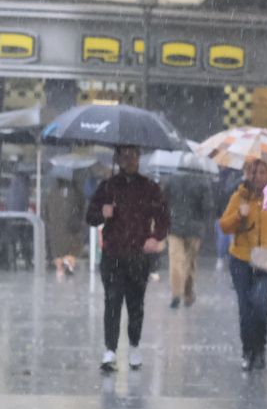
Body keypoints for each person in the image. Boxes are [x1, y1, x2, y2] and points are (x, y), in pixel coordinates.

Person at [85, 145, 169, 372]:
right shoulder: (108, 188)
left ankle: (134, 345)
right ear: (117, 158)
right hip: (112, 254)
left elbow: (163, 217)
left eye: (133, 155)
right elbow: (90, 217)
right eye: (124, 155)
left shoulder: (149, 188)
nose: (129, 160)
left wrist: (155, 237)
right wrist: (102, 213)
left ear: (139, 158)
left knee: (135, 303)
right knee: (112, 302)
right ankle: (110, 349)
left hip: (138, 255)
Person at [218, 158, 267, 371]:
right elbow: (224, 226)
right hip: (241, 259)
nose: (258, 176)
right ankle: (248, 352)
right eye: (254, 172)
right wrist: (239, 215)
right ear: (247, 174)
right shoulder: (239, 197)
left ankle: (260, 348)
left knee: (259, 303)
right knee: (246, 308)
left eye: (262, 172)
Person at [162, 171, 214, 309]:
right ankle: (187, 292)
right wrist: (206, 225)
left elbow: (162, 202)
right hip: (194, 229)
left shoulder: (171, 179)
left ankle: (176, 294)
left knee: (175, 261)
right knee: (189, 262)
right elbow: (208, 206)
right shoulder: (203, 182)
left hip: (174, 227)